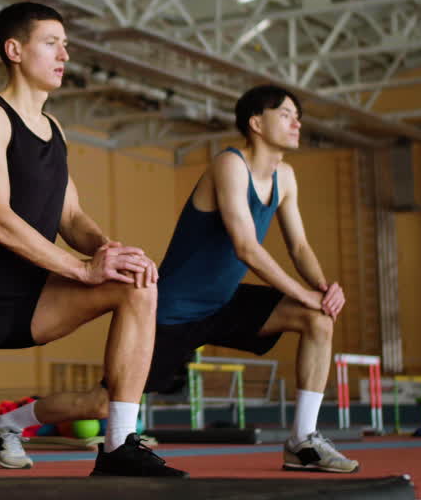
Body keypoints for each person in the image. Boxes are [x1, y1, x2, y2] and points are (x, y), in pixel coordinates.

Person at [0, 2, 185, 476]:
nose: (64, 54)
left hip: (32, 299)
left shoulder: (54, 128)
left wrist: (108, 250)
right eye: (51, 43)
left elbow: (70, 215)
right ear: (14, 50)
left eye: (65, 45)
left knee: (136, 284)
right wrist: (83, 269)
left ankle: (118, 447)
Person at [144, 85, 359, 473]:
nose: (297, 123)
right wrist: (303, 293)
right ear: (256, 123)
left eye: (298, 116)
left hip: (225, 301)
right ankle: (23, 418)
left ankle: (302, 441)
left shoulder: (286, 177)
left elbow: (299, 247)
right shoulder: (229, 165)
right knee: (99, 402)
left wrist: (323, 290)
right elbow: (246, 247)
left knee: (318, 318)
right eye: (286, 115)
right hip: (174, 310)